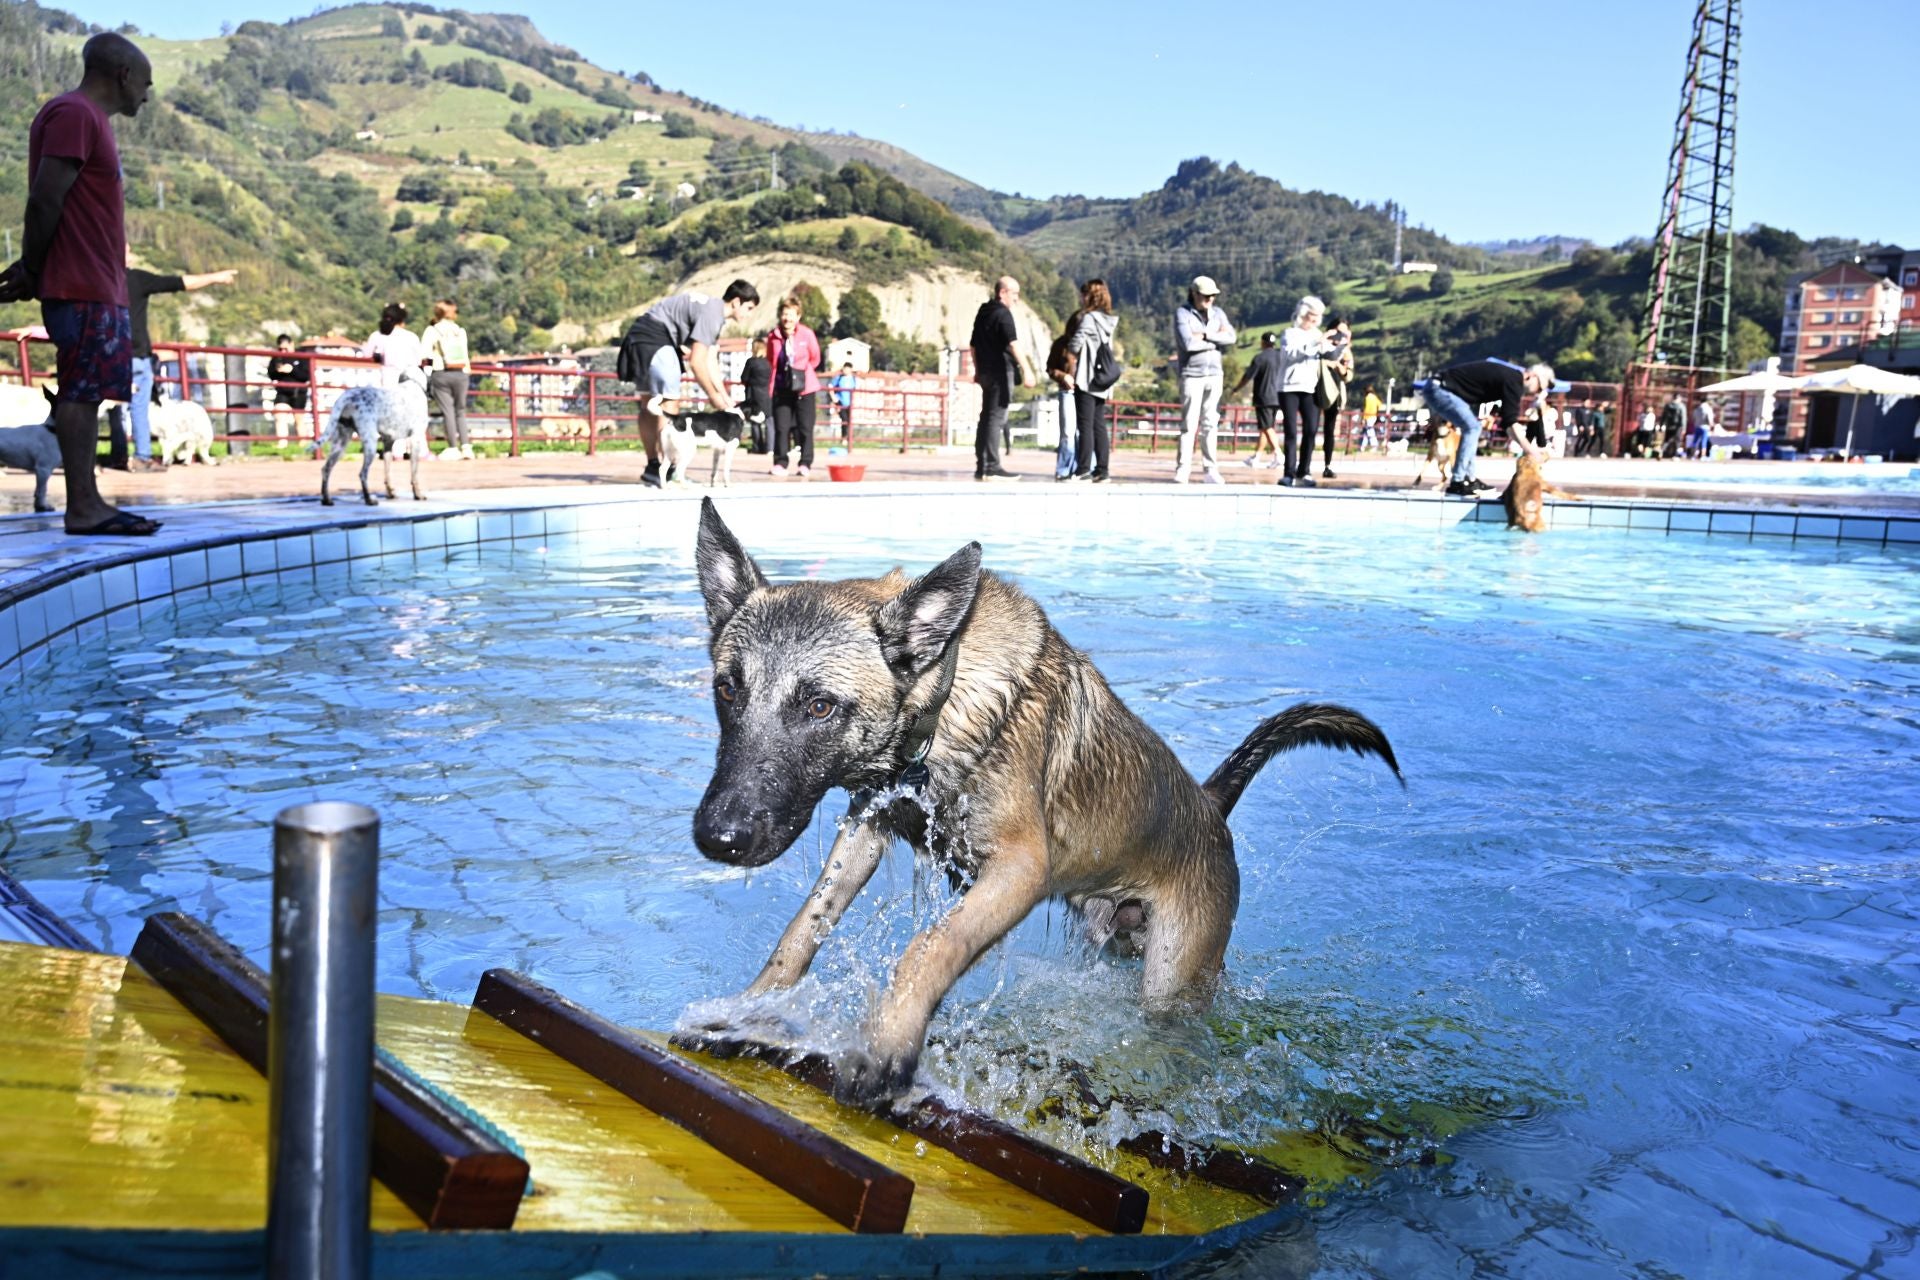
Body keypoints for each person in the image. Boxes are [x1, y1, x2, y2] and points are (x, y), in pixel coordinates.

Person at [0, 33, 159, 535]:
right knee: (80, 392)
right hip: (80, 282)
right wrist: (31, 267)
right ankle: (83, 507)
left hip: (94, 284)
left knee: (88, 393)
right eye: (146, 84)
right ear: (124, 75)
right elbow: (45, 200)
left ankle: (88, 501)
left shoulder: (88, 121)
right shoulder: (75, 114)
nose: (147, 97)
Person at [617, 279, 759, 489]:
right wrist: (713, 398)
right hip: (657, 337)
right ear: (736, 302)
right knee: (669, 402)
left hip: (640, 334)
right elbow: (697, 362)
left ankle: (653, 468)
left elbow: (710, 360)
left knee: (649, 404)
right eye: (749, 308)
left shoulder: (710, 310)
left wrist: (723, 395)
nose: (749, 314)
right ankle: (671, 471)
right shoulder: (713, 315)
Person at [107, 252, 235, 470]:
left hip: (110, 355)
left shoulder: (100, 281)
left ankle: (118, 455)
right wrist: (215, 277)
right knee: (139, 408)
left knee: (114, 408)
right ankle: (141, 457)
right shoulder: (137, 279)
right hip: (137, 355)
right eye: (128, 250)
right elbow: (180, 282)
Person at [1417, 358, 1553, 496]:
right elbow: (1511, 423)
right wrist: (1531, 450)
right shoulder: (1514, 381)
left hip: (1440, 387)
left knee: (1473, 427)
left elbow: (1507, 423)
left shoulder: (1510, 379)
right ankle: (1458, 481)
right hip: (1439, 388)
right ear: (1531, 376)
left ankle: (1469, 479)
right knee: (1472, 428)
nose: (1537, 393)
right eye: (1540, 387)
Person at [968, 275, 1035, 481]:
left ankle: (982, 467)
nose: (1017, 298)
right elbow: (1013, 344)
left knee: (986, 418)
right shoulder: (1003, 314)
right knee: (996, 419)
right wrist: (1027, 370)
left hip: (986, 372)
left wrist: (978, 371)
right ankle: (992, 467)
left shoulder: (983, 312)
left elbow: (973, 346)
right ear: (1002, 292)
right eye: (1014, 293)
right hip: (1000, 372)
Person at [1276, 295, 1345, 487]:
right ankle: (1288, 473)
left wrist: (1340, 344)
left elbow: (1329, 354)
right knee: (1291, 431)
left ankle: (1303, 471)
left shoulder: (1318, 335)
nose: (1315, 319)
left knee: (1311, 430)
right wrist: (1317, 342)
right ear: (1303, 313)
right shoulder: (1289, 333)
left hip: (1310, 387)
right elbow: (1290, 354)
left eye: (1318, 316)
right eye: (1312, 314)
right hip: (1289, 387)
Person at [1172, 275, 1235, 484]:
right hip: (1191, 374)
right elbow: (1188, 343)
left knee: (1211, 423)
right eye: (1206, 296)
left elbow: (1231, 337)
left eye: (1213, 296)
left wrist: (1205, 335)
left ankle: (1210, 469)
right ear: (1195, 294)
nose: (1210, 300)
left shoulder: (1218, 314)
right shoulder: (1182, 313)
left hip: (1215, 374)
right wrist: (1216, 337)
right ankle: (1183, 468)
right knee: (1189, 424)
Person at [1067, 277, 1118, 482]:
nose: (1081, 297)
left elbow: (1075, 344)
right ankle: (1102, 470)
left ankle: (1083, 469)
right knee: (1099, 424)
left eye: (1084, 294)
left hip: (1087, 378)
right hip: (1103, 379)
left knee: (1085, 424)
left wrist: (1071, 347)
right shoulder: (1108, 321)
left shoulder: (1088, 319)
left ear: (1090, 296)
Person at [765, 296, 822, 478]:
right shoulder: (773, 336)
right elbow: (770, 360)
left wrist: (801, 373)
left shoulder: (807, 334)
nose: (787, 318)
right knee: (781, 427)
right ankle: (780, 462)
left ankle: (805, 463)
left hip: (804, 387)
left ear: (798, 316)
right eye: (784, 314)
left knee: (805, 427)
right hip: (781, 386)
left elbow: (815, 358)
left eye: (791, 315)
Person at [422, 298, 473, 459]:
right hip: (461, 373)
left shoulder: (433, 330)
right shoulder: (460, 330)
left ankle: (452, 447)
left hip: (441, 373)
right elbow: (465, 355)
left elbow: (424, 354)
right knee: (461, 410)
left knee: (448, 411)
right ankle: (466, 446)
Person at [1229, 332, 1285, 470]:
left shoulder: (1260, 358)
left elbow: (1247, 376)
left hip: (1263, 397)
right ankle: (1257, 456)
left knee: (1266, 427)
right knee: (1267, 428)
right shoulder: (1280, 357)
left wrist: (1236, 388)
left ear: (1262, 342)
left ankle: (1279, 454)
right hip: (1278, 396)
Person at [362, 301, 423, 389]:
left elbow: (366, 356)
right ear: (402, 320)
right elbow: (419, 361)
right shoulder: (412, 337)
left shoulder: (377, 335)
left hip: (384, 380)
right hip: (408, 381)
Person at [266, 334, 311, 443]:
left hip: (299, 392)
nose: (283, 351)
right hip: (282, 392)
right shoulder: (276, 358)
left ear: (292, 344)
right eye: (280, 349)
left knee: (299, 419)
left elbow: (306, 376)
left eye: (285, 348)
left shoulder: (301, 356)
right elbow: (271, 375)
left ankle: (303, 443)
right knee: (279, 415)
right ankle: (282, 443)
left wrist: (292, 369)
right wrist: (278, 370)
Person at [739, 337, 772, 454]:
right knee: (769, 421)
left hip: (753, 395)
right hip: (767, 394)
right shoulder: (768, 363)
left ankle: (757, 447)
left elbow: (744, 378)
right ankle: (770, 448)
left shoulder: (751, 362)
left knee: (755, 422)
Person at [830, 363, 857, 446]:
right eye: (845, 368)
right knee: (844, 420)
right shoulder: (839, 378)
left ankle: (850, 438)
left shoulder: (853, 379)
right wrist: (834, 398)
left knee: (850, 421)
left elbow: (855, 389)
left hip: (850, 403)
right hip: (841, 402)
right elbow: (830, 386)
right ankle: (844, 438)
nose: (846, 370)